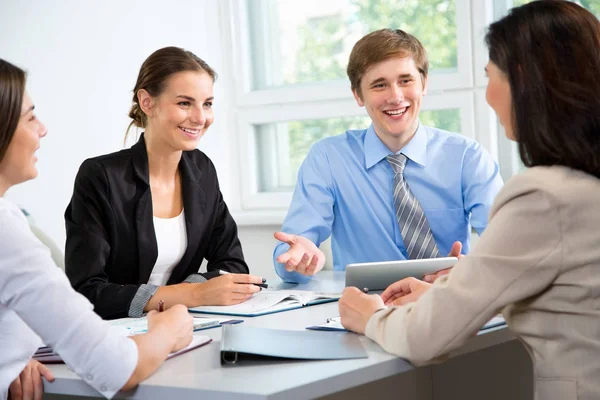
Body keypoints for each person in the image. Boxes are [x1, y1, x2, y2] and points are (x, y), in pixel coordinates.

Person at [338, 1, 600, 399]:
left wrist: (373, 317)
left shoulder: (543, 198)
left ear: (524, 82)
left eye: (489, 77)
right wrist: (465, 286)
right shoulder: (583, 186)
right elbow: (572, 298)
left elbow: (425, 339)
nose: (490, 97)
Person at [0, 58, 193, 400]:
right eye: (30, 117)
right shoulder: (7, 232)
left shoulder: (201, 172)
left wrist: (12, 354)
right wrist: (169, 330)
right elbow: (119, 369)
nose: (42, 129)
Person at [273, 29, 503, 283]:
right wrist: (297, 260)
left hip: (445, 301)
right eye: (379, 85)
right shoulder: (328, 158)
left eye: (405, 81)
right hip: (362, 306)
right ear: (358, 95)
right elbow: (292, 249)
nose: (395, 97)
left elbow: (507, 246)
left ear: (423, 84)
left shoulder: (467, 157)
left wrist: (472, 269)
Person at [64, 47, 264, 320]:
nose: (200, 118)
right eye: (184, 103)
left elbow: (232, 264)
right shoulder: (101, 176)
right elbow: (86, 291)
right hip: (115, 335)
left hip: (184, 326)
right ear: (147, 102)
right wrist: (193, 294)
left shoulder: (201, 169)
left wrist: (188, 295)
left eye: (207, 103)